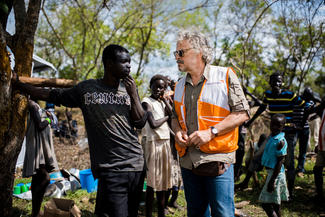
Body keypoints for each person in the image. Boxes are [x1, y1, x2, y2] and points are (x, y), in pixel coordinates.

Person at [14, 44, 147, 217]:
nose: (129, 66)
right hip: (112, 169)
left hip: (136, 166)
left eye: (130, 62)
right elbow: (52, 95)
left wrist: (134, 94)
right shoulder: (88, 89)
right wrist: (19, 84)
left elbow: (141, 122)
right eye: (124, 62)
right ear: (109, 63)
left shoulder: (128, 91)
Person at [171, 29, 250, 217]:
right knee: (196, 212)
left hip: (217, 158)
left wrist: (211, 132)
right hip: (188, 160)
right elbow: (174, 117)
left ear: (199, 52)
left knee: (222, 212)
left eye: (180, 52)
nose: (176, 57)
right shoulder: (179, 84)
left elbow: (242, 114)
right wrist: (177, 132)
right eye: (176, 53)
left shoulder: (225, 75)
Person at [245, 72, 305, 200]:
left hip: (288, 134)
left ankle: (290, 192)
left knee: (288, 162)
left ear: (282, 83)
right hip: (274, 134)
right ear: (270, 83)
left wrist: (299, 124)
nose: (276, 84)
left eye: (279, 81)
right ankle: (245, 182)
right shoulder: (268, 95)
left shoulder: (289, 95)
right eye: (274, 81)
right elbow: (262, 108)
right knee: (257, 156)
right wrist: (250, 121)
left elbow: (305, 106)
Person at [141, 74, 173, 217]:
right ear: (151, 86)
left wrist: (166, 101)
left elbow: (174, 115)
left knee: (163, 183)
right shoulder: (146, 102)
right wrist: (167, 117)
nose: (158, 90)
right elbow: (153, 124)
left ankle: (161, 212)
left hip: (165, 142)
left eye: (162, 87)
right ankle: (148, 213)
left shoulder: (161, 102)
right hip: (153, 143)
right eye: (156, 86)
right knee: (152, 183)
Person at [23, 99, 59, 217]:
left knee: (37, 179)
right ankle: (36, 212)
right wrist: (49, 119)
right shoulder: (32, 105)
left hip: (39, 148)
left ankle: (35, 212)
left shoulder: (35, 106)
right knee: (45, 178)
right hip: (35, 147)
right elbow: (39, 125)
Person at [259, 114, 289, 217]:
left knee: (265, 203)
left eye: (278, 125)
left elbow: (280, 162)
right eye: (273, 124)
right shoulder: (272, 137)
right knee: (275, 204)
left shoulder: (281, 141)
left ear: (283, 126)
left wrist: (272, 181)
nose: (275, 127)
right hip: (272, 173)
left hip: (276, 175)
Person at [295, 87, 319, 177]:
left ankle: (300, 169)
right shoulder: (297, 99)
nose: (309, 99)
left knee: (303, 150)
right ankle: (290, 166)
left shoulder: (312, 102)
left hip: (305, 128)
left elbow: (315, 110)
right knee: (291, 148)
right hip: (295, 128)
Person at [308, 97, 325, 204]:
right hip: (322, 147)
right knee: (317, 170)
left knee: (318, 170)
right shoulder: (323, 110)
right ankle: (319, 195)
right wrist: (319, 144)